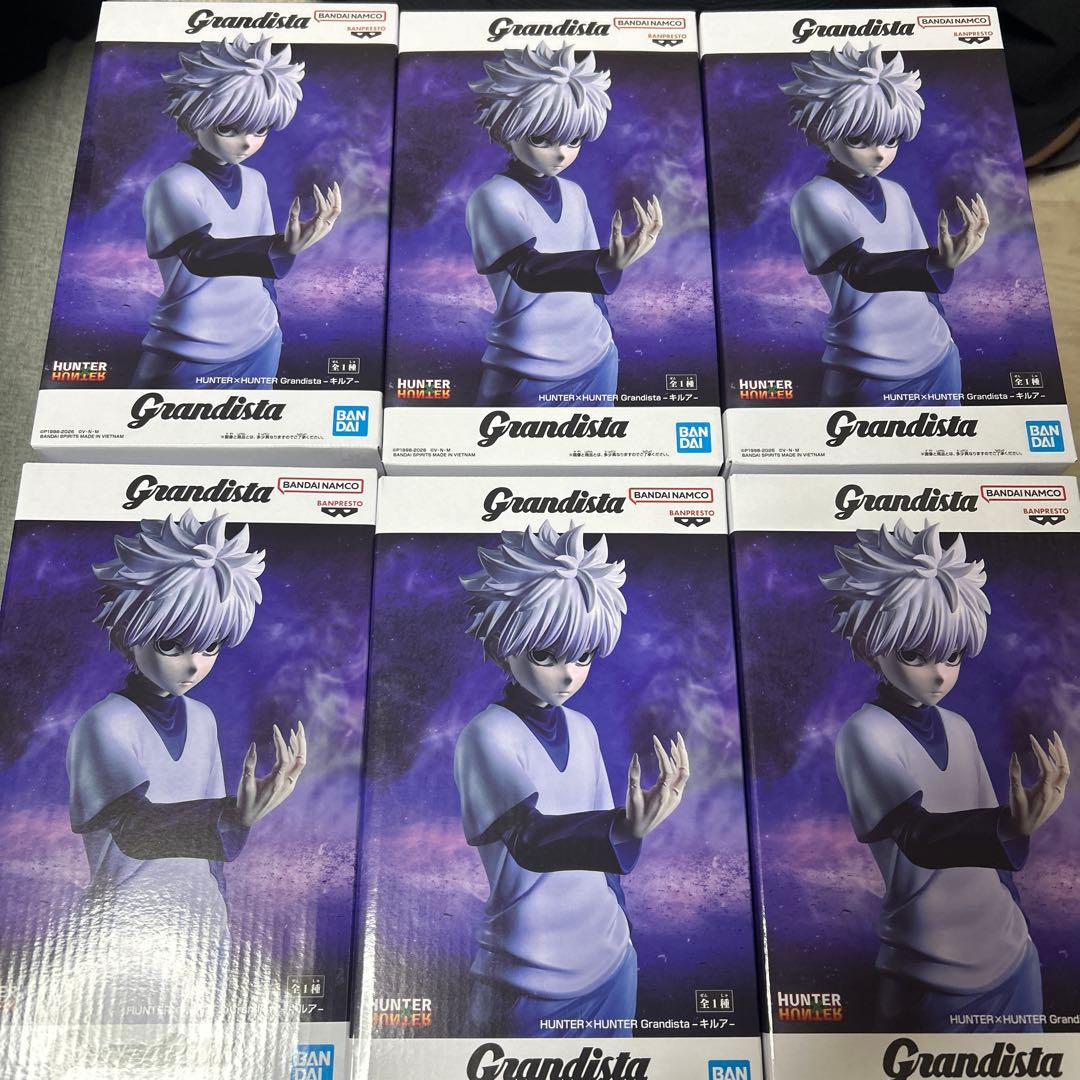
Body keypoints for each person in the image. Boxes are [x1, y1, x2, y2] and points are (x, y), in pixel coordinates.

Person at [821, 520, 1069, 1031]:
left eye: (952, 655)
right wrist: (1009, 825)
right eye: (914, 654)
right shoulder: (865, 733)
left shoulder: (958, 727)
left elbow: (993, 861)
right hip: (928, 968)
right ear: (870, 644)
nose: (939, 673)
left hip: (1012, 955)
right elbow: (920, 837)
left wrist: (1016, 905)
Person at [454, 520, 689, 1036]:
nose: (568, 673)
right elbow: (530, 839)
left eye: (582, 656)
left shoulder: (583, 728)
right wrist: (623, 827)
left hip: (611, 961)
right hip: (526, 975)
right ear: (504, 642)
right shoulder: (487, 735)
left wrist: (623, 923)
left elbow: (605, 867)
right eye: (545, 654)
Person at [67, 510, 307, 926]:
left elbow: (211, 858)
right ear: (127, 632)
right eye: (171, 644)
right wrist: (235, 815)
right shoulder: (105, 723)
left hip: (202, 923)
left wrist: (220, 914)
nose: (194, 665)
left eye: (210, 646)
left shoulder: (202, 718)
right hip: (125, 925)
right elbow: (135, 830)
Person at [782, 43, 990, 407]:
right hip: (867, 366)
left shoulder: (896, 192)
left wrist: (944, 326)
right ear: (823, 131)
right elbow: (859, 270)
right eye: (859, 139)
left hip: (938, 355)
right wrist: (936, 261)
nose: (880, 152)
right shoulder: (815, 198)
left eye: (890, 139)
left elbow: (924, 286)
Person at [137, 34, 341, 390]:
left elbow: (263, 274)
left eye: (260, 128)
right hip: (189, 345)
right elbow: (200, 255)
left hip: (260, 339)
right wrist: (280, 246)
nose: (247, 141)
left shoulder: (255, 181)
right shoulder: (173, 184)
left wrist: (274, 313)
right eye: (228, 127)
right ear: (194, 117)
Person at [466, 43, 662, 408]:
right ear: (506, 129)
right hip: (526, 365)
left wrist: (607, 330)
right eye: (541, 138)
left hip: (597, 356)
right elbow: (529, 270)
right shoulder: (493, 197)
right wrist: (606, 261)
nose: (561, 153)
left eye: (573, 139)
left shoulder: (574, 193)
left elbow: (591, 289)